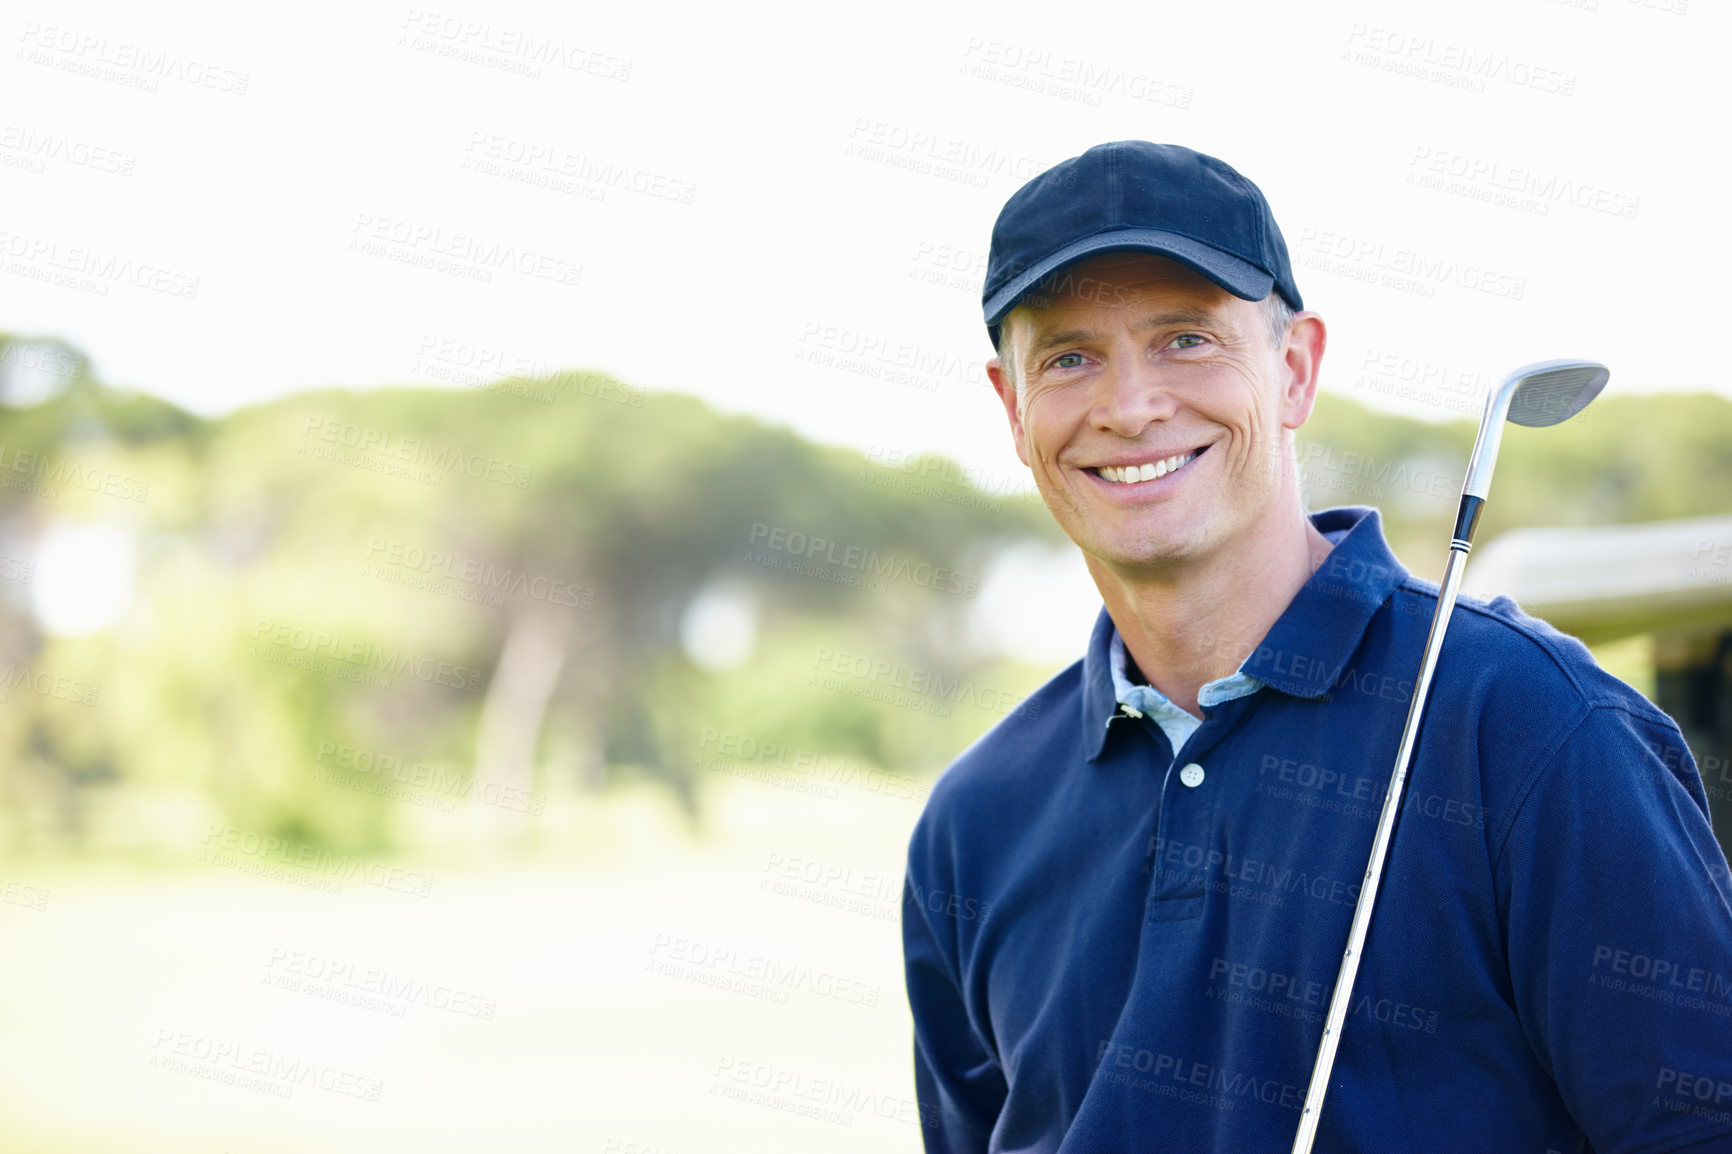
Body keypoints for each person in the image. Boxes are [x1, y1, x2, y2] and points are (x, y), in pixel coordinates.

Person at [900, 140, 1732, 1153]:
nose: (1129, 406)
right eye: (1070, 356)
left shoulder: (1533, 725)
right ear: (1012, 405)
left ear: (1293, 370)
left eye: (1185, 340)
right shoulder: (971, 822)